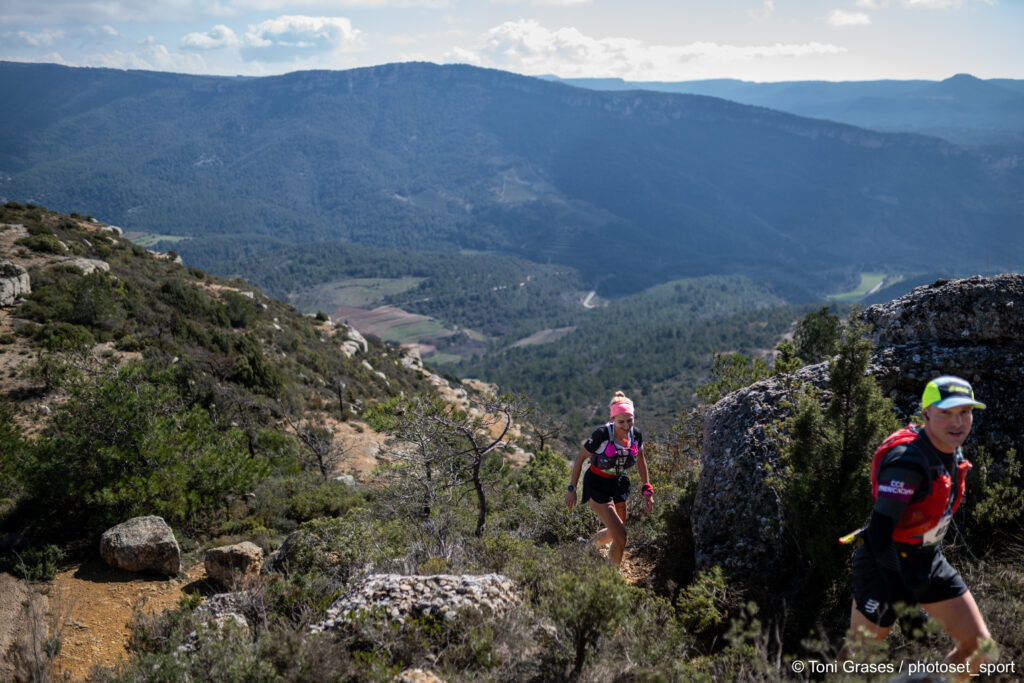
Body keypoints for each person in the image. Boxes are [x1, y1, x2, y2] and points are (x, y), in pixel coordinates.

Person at [847, 375, 991, 671]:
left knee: (978, 650)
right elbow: (879, 534)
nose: (958, 422)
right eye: (946, 413)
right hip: (885, 564)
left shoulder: (948, 448)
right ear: (926, 414)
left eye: (965, 412)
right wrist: (904, 601)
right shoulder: (907, 462)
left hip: (927, 558)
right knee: (856, 663)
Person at [565, 391, 654, 567]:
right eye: (621, 422)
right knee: (621, 536)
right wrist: (572, 490)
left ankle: (590, 545)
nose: (627, 426)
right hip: (597, 484)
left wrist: (647, 487)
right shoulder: (602, 435)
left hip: (619, 483)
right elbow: (580, 458)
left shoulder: (635, 435)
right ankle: (611, 576)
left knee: (614, 534)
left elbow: (641, 460)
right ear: (612, 419)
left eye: (630, 420)